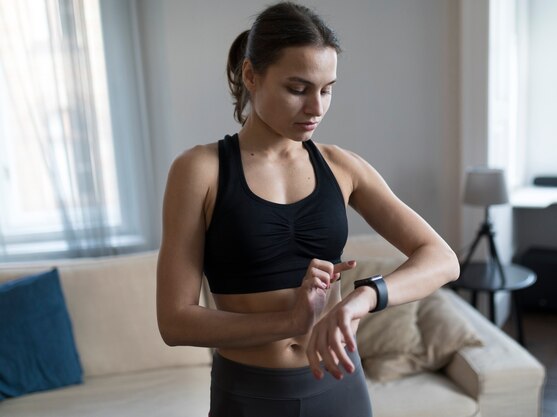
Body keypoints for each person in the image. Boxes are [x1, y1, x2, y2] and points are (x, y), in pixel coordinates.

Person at [156, 2, 459, 416]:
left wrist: (362, 298)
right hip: (250, 395)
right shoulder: (200, 170)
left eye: (327, 88)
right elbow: (174, 321)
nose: (316, 107)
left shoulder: (342, 166)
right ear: (251, 75)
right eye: (298, 89)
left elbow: (442, 259)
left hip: (341, 386)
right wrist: (290, 322)